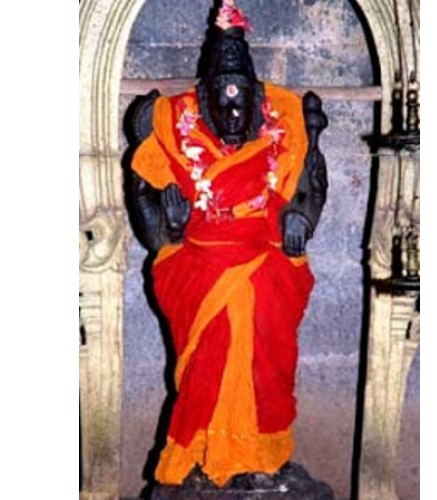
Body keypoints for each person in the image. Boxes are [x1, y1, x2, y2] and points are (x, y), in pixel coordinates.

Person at [127, 0, 328, 488]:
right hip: (199, 266)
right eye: (224, 103)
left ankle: (259, 454)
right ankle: (203, 453)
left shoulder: (284, 127)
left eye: (243, 103)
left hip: (266, 264)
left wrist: (300, 222)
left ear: (257, 100)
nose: (234, 113)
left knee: (267, 367)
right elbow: (142, 193)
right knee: (204, 366)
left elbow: (310, 187)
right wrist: (169, 229)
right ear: (203, 99)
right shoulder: (172, 132)